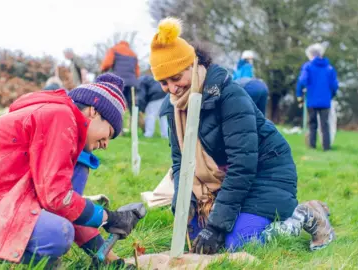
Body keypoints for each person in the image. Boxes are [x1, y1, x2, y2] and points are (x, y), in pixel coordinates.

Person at [151, 17, 335, 254]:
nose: (172, 89)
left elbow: (243, 164)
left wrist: (216, 226)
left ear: (193, 65)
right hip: (227, 182)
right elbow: (180, 163)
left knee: (237, 245)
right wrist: (185, 206)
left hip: (266, 175)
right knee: (197, 244)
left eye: (176, 78)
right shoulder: (173, 108)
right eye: (163, 83)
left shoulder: (229, 96)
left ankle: (306, 214)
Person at [0, 73, 144, 269]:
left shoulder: (56, 119)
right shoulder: (61, 117)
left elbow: (66, 207)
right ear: (93, 111)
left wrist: (110, 260)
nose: (106, 144)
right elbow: (57, 199)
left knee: (55, 237)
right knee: (57, 234)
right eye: (109, 132)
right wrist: (109, 217)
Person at [296, 43, 339, 151]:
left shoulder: (308, 66)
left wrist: (300, 94)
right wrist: (331, 95)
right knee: (325, 124)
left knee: (312, 124)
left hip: (312, 100)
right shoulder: (329, 68)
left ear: (311, 55)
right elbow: (334, 85)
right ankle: (326, 147)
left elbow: (302, 80)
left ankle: (312, 145)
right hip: (325, 101)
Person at [100, 41, 140, 114]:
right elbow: (137, 70)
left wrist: (103, 69)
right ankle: (134, 121)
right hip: (131, 83)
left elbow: (107, 63)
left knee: (116, 102)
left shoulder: (114, 49)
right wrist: (135, 79)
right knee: (132, 104)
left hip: (118, 82)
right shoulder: (133, 53)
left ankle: (116, 121)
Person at [137, 74, 169, 138]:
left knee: (151, 115)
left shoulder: (141, 80)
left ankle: (148, 134)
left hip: (155, 95)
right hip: (164, 95)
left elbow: (142, 95)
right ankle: (165, 134)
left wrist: (141, 109)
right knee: (162, 116)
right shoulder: (149, 77)